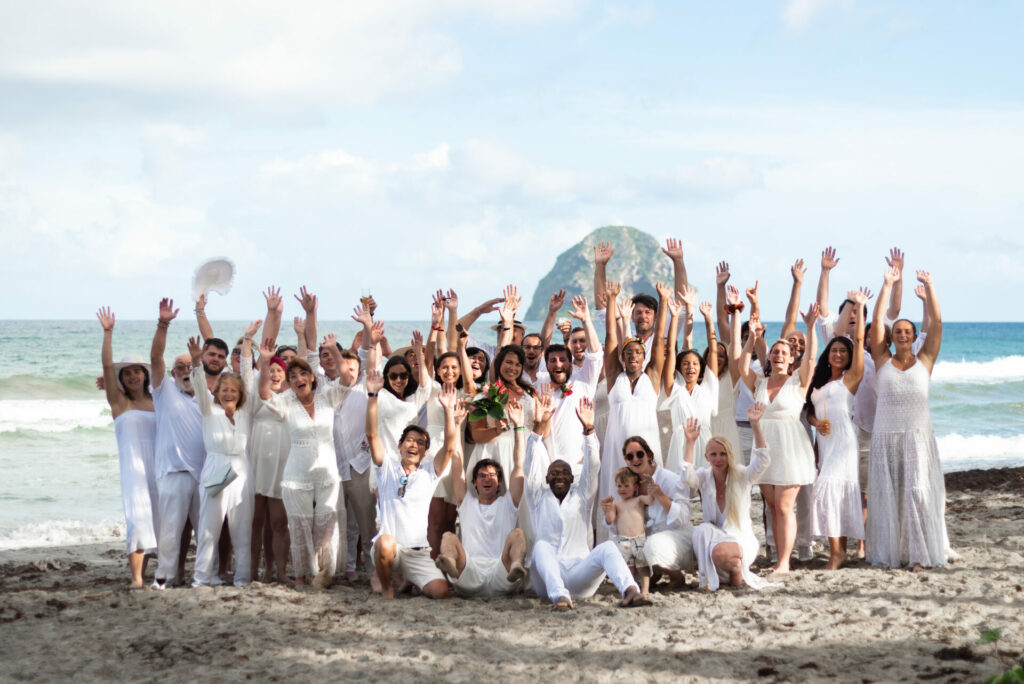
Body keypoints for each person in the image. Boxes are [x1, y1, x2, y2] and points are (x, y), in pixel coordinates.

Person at [525, 395, 651, 610]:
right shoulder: (538, 496)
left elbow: (592, 466)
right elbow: (531, 465)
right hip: (547, 582)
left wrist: (589, 430)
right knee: (541, 546)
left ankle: (630, 590)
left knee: (608, 547)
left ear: (572, 478)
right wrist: (538, 429)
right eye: (553, 474)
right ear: (546, 479)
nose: (559, 477)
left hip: (578, 575)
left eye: (565, 473)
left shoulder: (582, 496)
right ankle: (560, 598)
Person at [867, 266, 950, 570]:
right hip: (885, 437)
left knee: (917, 492)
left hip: (917, 437)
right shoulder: (882, 360)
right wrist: (886, 283)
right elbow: (876, 321)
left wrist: (929, 287)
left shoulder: (925, 360)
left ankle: (918, 556)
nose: (902, 334)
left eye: (907, 331)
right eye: (898, 331)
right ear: (892, 337)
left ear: (914, 336)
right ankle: (894, 553)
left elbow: (938, 323)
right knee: (889, 496)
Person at [258, 335, 351, 586]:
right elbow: (264, 393)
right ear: (289, 383)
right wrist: (266, 363)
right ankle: (300, 575)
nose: (299, 379)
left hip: (328, 475)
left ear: (312, 377)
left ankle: (323, 573)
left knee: (325, 526)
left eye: (303, 374)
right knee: (299, 527)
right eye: (293, 376)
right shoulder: (286, 402)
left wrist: (332, 348)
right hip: (296, 475)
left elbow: (347, 378)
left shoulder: (327, 397)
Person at [738, 304, 818, 573]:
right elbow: (741, 364)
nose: (779, 355)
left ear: (792, 359)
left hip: (790, 448)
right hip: (764, 447)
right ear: (769, 357)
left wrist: (809, 326)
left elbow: (811, 359)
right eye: (775, 352)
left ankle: (784, 562)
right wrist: (752, 337)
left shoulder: (799, 380)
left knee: (785, 507)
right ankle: (779, 558)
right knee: (773, 507)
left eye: (784, 352)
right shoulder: (759, 382)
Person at [365, 371, 454, 599]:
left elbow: (450, 447)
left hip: (417, 553)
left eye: (421, 443)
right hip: (391, 549)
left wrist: (448, 410)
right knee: (385, 542)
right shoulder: (386, 468)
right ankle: (387, 588)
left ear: (425, 452)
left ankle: (408, 581)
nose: (414, 444)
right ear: (400, 445)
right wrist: (373, 395)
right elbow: (372, 434)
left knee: (441, 592)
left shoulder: (429, 473)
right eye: (410, 440)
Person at [434, 394, 528, 597]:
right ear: (474, 482)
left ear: (500, 482)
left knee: (518, 534)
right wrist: (458, 425)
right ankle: (450, 563)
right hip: (469, 572)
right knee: (449, 536)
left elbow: (519, 465)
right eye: (482, 476)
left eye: (493, 476)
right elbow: (458, 464)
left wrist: (519, 427)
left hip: (501, 573)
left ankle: (516, 566)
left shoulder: (508, 502)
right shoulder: (466, 502)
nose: (487, 479)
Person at [187, 336, 257, 587]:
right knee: (209, 526)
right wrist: (196, 362)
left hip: (241, 469)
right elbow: (198, 384)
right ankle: (201, 578)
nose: (229, 393)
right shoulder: (209, 410)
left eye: (233, 390)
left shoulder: (244, 413)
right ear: (217, 392)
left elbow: (247, 377)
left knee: (242, 529)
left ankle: (242, 578)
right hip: (216, 467)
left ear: (239, 395)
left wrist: (247, 343)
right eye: (224, 389)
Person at [806, 289, 868, 570]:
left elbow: (861, 338)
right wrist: (816, 423)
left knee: (830, 489)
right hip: (825, 442)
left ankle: (836, 553)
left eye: (844, 351)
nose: (839, 353)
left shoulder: (850, 379)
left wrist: (861, 308)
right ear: (828, 355)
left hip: (843, 443)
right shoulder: (818, 382)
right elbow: (808, 411)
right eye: (835, 350)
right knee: (830, 492)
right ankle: (839, 550)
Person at [680, 405, 773, 591]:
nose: (718, 459)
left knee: (721, 552)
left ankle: (737, 570)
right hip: (716, 539)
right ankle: (719, 575)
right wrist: (690, 442)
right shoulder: (705, 477)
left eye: (723, 454)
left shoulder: (741, 475)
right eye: (713, 454)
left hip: (739, 539)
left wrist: (755, 425)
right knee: (700, 531)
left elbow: (762, 461)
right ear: (707, 457)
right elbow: (687, 477)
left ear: (729, 455)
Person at [97, 306, 157, 588]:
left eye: (138, 371)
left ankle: (154, 574)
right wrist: (108, 333)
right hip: (133, 469)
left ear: (146, 374)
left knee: (157, 517)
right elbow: (107, 367)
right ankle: (136, 578)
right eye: (128, 373)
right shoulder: (120, 403)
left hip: (158, 466)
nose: (133, 376)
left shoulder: (157, 401)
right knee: (137, 518)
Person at [598, 280, 668, 517]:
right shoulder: (614, 377)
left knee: (646, 491)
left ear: (643, 355)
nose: (633, 356)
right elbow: (610, 337)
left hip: (646, 442)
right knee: (618, 489)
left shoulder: (652, 377)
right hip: (617, 443)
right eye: (628, 352)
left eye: (637, 352)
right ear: (623, 356)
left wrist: (664, 301)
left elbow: (659, 340)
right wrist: (611, 300)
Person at [149, 298, 206, 588]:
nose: (185, 370)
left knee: (206, 531)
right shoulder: (164, 392)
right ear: (172, 374)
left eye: (189, 366)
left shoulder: (207, 397)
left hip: (204, 475)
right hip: (173, 474)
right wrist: (164, 324)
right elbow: (156, 358)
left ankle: (204, 578)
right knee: (170, 530)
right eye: (179, 367)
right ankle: (165, 579)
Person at [620, 435, 695, 588]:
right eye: (630, 456)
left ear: (649, 455)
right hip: (649, 536)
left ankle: (676, 577)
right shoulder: (630, 485)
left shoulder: (670, 479)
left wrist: (660, 495)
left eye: (639, 454)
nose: (635, 459)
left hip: (677, 537)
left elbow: (683, 518)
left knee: (651, 546)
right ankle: (656, 572)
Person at [662, 290, 719, 472]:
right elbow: (671, 350)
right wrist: (675, 316)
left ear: (701, 368)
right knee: (680, 489)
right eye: (685, 364)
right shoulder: (675, 388)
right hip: (680, 442)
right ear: (679, 368)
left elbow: (714, 351)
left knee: (706, 487)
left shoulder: (708, 388)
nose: (690, 367)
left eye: (695, 364)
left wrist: (709, 319)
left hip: (705, 440)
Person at [601, 468, 654, 598]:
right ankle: (631, 588)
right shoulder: (617, 504)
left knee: (643, 567)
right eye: (619, 486)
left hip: (640, 540)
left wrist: (650, 483)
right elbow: (611, 519)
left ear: (635, 487)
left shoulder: (639, 500)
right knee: (628, 568)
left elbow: (651, 499)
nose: (622, 489)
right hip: (623, 541)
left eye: (626, 486)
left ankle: (645, 590)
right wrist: (608, 509)